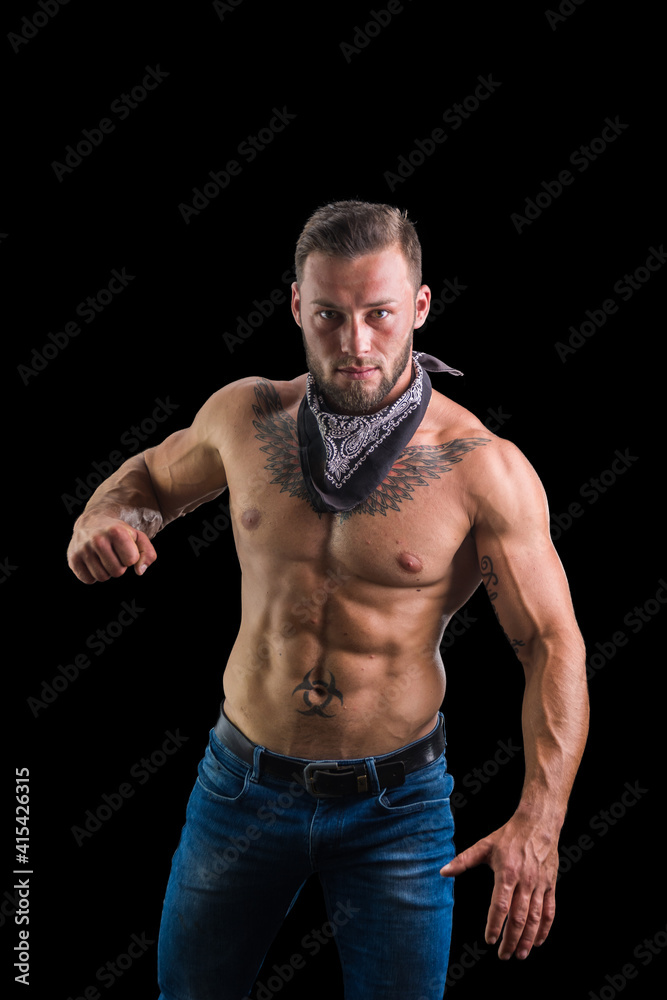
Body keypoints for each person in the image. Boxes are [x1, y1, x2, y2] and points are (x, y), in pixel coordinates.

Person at [66, 200, 589, 1000]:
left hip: (396, 809)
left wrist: (540, 822)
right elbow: (147, 478)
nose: (355, 345)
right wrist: (107, 516)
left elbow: (552, 643)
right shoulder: (245, 415)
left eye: (380, 315)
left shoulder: (481, 467)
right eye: (329, 317)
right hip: (239, 787)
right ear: (294, 308)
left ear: (418, 305)